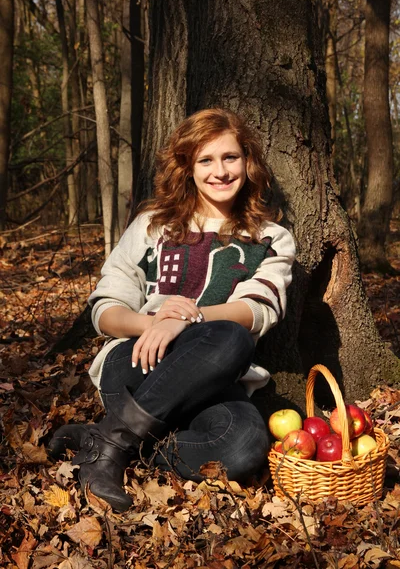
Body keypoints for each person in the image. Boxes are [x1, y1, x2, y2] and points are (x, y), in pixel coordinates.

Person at [49, 108, 296, 512]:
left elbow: (258, 310)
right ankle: (114, 442)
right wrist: (154, 322)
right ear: (188, 167)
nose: (220, 171)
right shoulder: (152, 225)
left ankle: (108, 440)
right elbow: (105, 309)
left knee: (244, 447)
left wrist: (185, 319)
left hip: (216, 375)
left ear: (248, 162)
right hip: (137, 363)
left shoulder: (271, 239)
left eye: (230, 157)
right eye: (206, 160)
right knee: (228, 336)